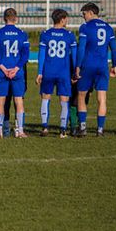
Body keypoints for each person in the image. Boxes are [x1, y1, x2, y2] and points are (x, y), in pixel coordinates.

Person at [74, 2, 116, 137]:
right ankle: (100, 130)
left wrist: (77, 66)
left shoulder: (85, 27)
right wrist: (114, 65)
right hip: (102, 67)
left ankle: (83, 128)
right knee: (102, 98)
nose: (83, 17)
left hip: (87, 66)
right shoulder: (108, 28)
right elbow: (114, 49)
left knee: (81, 95)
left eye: (84, 14)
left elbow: (81, 48)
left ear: (91, 13)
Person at [36, 9, 77, 138]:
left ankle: (45, 127)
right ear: (62, 19)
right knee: (64, 100)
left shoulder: (45, 34)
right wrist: (75, 71)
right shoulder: (69, 35)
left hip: (48, 72)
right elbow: (74, 56)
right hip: (63, 73)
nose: (67, 21)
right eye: (66, 18)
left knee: (45, 98)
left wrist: (39, 73)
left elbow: (41, 55)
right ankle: (63, 130)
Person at [0, 8, 30, 138]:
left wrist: (3, 68)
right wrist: (16, 68)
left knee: (0, 101)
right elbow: (25, 55)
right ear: (16, 18)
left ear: (4, 18)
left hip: (2, 72)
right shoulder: (22, 34)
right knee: (19, 100)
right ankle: (20, 130)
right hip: (17, 72)